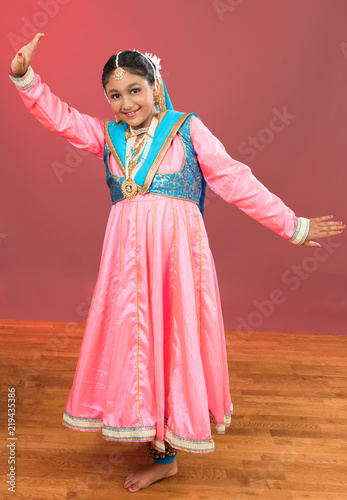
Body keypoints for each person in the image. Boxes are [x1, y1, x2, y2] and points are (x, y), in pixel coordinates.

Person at [8, 33, 344, 493]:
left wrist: (293, 226)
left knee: (170, 338)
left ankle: (166, 453)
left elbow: (234, 179)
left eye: (134, 91)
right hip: (126, 260)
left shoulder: (187, 130)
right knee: (135, 339)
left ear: (155, 85)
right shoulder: (109, 137)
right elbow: (62, 119)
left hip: (175, 257)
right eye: (114, 95)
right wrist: (25, 78)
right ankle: (149, 433)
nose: (126, 103)